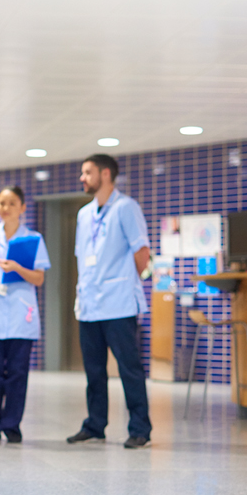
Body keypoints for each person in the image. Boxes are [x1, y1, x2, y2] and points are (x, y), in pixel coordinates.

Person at [66, 154, 153, 449]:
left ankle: (140, 428)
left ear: (105, 174)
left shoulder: (126, 207)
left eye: (87, 172)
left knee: (129, 368)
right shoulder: (83, 214)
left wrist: (126, 282)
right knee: (94, 370)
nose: (82, 178)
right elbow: (83, 256)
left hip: (118, 304)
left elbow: (141, 251)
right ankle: (95, 424)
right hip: (90, 304)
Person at [0, 185, 51, 443]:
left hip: (20, 317)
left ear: (22, 208)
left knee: (17, 374)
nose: (5, 208)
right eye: (2, 203)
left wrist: (16, 267)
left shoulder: (33, 239)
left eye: (12, 203)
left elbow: (39, 278)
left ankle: (12, 424)